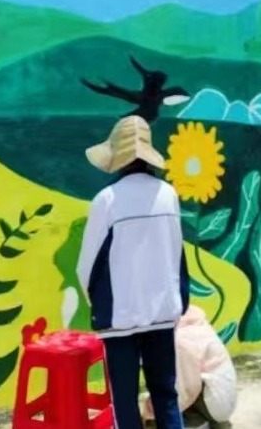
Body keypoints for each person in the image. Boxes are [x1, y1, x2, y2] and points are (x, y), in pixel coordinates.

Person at [78, 115, 188, 429]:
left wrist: (97, 303)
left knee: (125, 403)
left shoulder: (107, 201)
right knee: (166, 395)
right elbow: (176, 252)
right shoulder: (168, 194)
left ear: (118, 157)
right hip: (163, 313)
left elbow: (87, 265)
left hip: (120, 319)